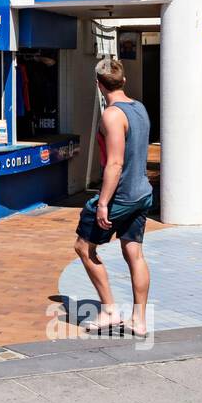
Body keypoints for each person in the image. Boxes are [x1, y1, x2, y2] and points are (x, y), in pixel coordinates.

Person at [73, 57, 154, 338]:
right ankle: (139, 321)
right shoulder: (139, 108)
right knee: (134, 253)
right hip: (142, 192)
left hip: (123, 195)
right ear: (124, 81)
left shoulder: (112, 114)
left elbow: (115, 164)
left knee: (84, 247)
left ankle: (109, 310)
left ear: (98, 84)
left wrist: (104, 203)